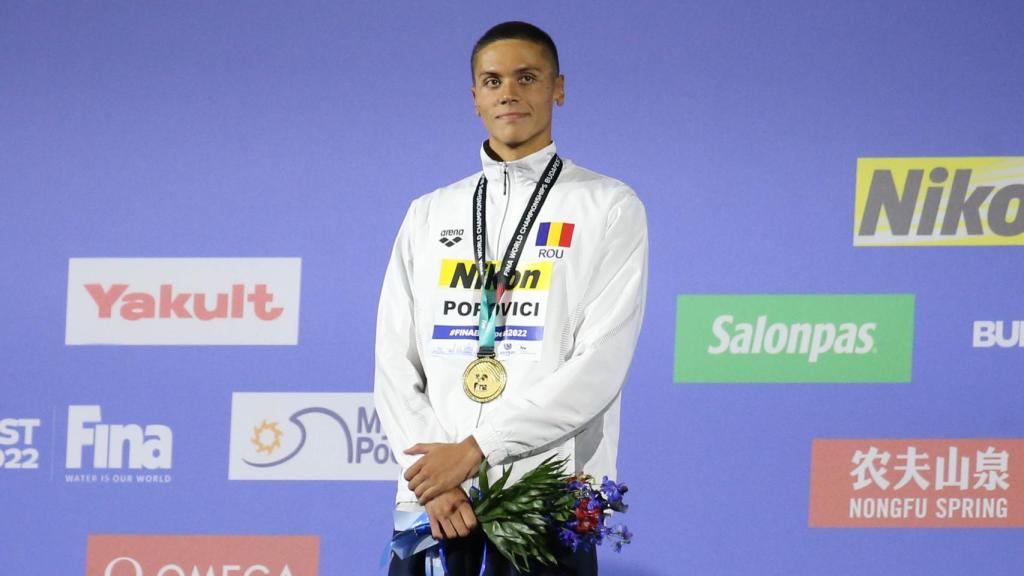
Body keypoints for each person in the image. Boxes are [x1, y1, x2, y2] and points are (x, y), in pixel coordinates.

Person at [374, 20, 648, 576]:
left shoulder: (608, 206)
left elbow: (600, 365)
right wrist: (434, 479)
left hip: (544, 500)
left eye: (527, 77)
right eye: (492, 81)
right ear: (475, 97)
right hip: (436, 506)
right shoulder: (429, 212)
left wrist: (476, 449)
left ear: (558, 88)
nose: (509, 93)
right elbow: (394, 361)